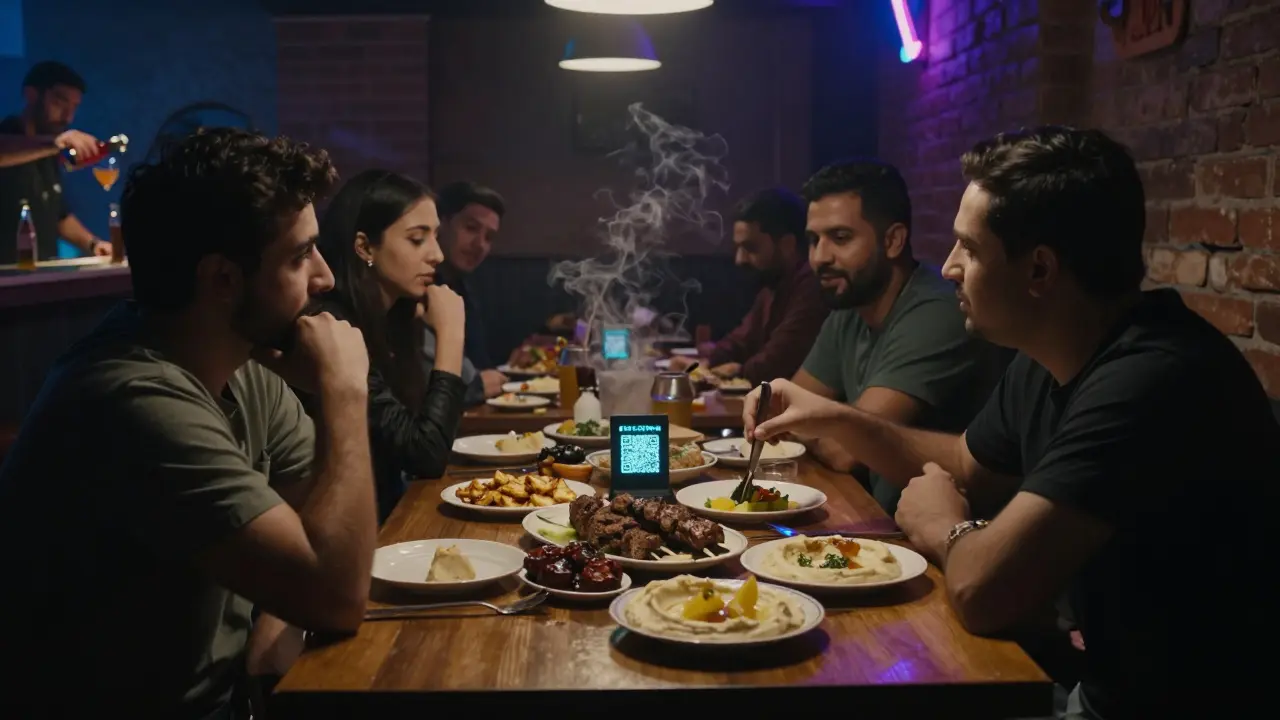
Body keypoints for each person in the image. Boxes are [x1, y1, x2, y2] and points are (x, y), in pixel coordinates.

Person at [743, 127, 1279, 718]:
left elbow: (984, 592)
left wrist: (944, 527)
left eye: (968, 249)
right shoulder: (1050, 353)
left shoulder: (1150, 380)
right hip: (1095, 677)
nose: (947, 268)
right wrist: (835, 419)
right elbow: (969, 465)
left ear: (1040, 271)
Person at [0, 128, 377, 719]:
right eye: (301, 255)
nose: (325, 278)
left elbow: (326, 529)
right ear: (223, 279)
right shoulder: (132, 400)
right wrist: (344, 391)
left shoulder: (244, 365)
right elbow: (336, 594)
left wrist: (279, 612)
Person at [787, 158, 1007, 515]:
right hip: (884, 523)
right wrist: (809, 422)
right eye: (813, 240)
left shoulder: (938, 310)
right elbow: (783, 413)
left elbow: (846, 451)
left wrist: (813, 423)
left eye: (840, 238)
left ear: (892, 240)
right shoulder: (850, 306)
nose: (819, 257)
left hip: (934, 538)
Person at [309, 169, 468, 522]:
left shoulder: (394, 319)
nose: (438, 255)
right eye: (417, 239)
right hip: (352, 532)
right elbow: (425, 455)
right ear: (365, 246)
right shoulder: (335, 327)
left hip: (389, 516)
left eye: (436, 237)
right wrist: (451, 336)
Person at [668, 188, 828, 383]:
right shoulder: (772, 284)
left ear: (787, 245)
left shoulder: (812, 286)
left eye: (750, 248)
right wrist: (705, 362)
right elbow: (740, 341)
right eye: (738, 248)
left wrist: (737, 371)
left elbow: (777, 361)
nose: (739, 259)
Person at [0, 60, 111, 263]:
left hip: (41, 278)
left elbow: (59, 216)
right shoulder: (9, 140)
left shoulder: (48, 151)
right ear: (31, 95)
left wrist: (93, 244)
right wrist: (56, 143)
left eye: (74, 107)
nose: (68, 118)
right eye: (60, 103)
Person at [432, 180, 508, 404]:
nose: (480, 245)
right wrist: (475, 386)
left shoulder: (463, 288)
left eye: (489, 238)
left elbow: (481, 366)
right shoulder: (418, 288)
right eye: (471, 228)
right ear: (442, 223)